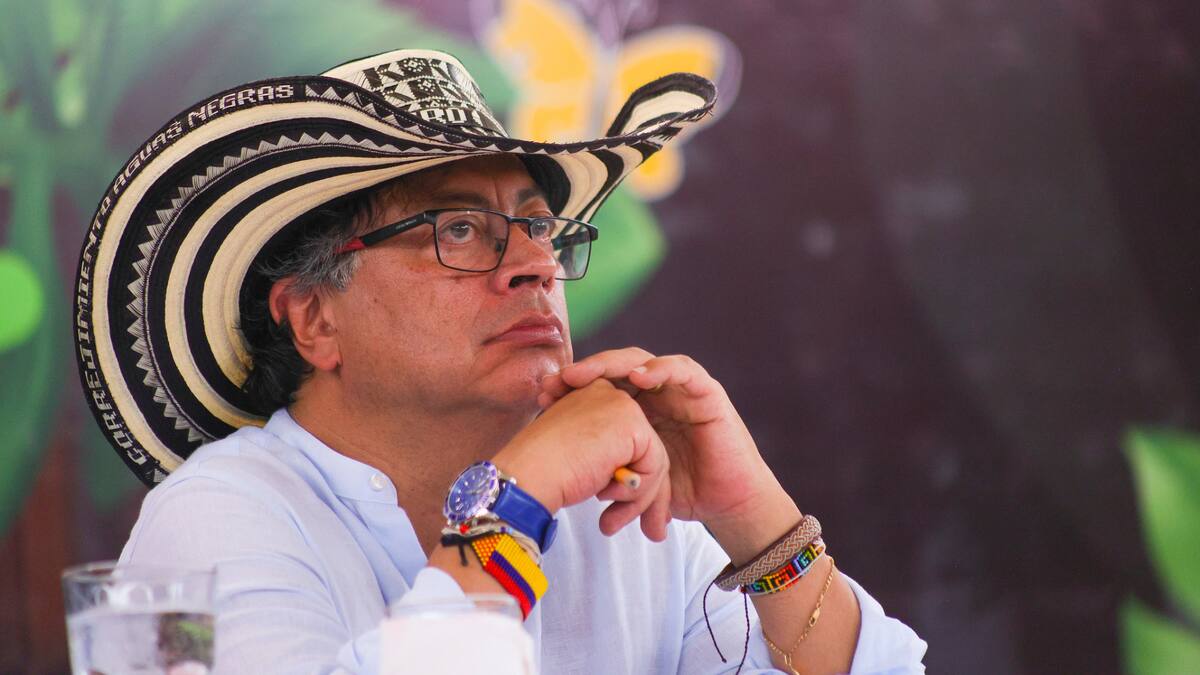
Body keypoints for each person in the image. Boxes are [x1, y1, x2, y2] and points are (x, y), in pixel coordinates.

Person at [74, 49, 926, 674]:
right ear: (314, 319)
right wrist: (514, 498)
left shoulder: (616, 510)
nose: (536, 264)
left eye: (539, 226)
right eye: (458, 229)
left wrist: (758, 522)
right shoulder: (216, 516)